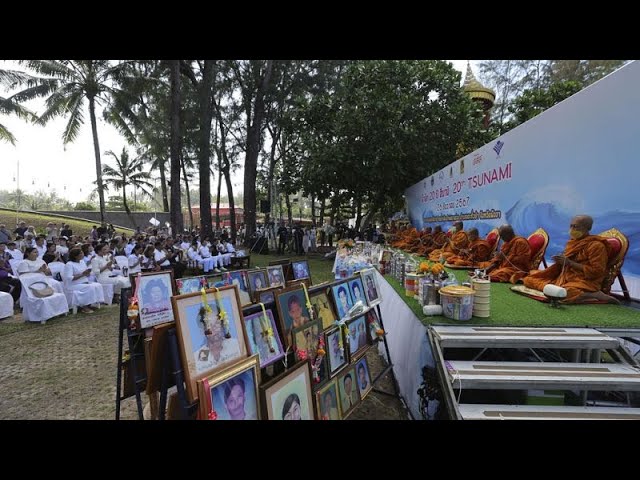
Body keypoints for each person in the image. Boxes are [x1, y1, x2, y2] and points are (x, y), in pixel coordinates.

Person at [523, 215, 619, 304]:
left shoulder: (597, 246)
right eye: (571, 226)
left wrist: (570, 263)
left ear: (587, 228)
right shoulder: (573, 242)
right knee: (529, 280)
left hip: (584, 281)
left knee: (565, 293)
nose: (572, 230)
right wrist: (560, 261)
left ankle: (593, 294)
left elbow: (597, 271)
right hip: (565, 278)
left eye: (576, 227)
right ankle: (572, 293)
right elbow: (568, 261)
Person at [63, 248, 104, 313]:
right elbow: (69, 278)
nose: (83, 254)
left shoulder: (82, 262)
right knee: (90, 287)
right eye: (81, 253)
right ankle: (84, 307)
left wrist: (87, 273)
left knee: (97, 285)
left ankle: (90, 304)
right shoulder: (69, 264)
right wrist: (82, 274)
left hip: (83, 282)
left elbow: (85, 273)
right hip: (73, 284)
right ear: (75, 256)